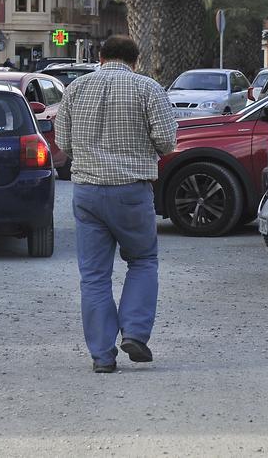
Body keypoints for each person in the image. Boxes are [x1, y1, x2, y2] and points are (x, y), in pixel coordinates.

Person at [54, 35, 176, 373]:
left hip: (87, 192)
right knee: (142, 261)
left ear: (100, 55)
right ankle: (135, 333)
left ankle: (102, 356)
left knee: (93, 276)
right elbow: (166, 142)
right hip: (131, 192)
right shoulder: (148, 89)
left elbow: (63, 142)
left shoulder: (76, 88)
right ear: (136, 59)